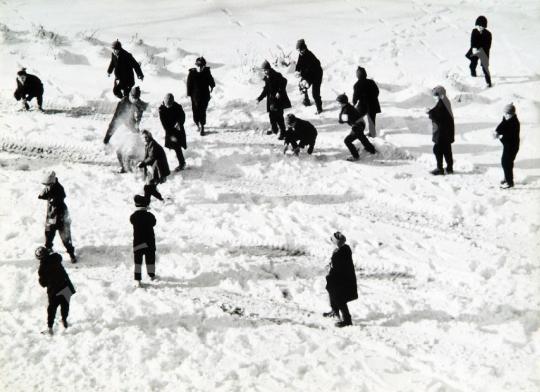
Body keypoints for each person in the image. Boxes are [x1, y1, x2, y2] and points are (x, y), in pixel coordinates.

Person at [103, 86, 148, 173]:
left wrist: (137, 121)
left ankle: (140, 167)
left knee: (138, 150)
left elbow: (142, 110)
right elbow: (114, 122)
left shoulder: (139, 104)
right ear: (130, 95)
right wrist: (107, 138)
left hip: (134, 131)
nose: (135, 99)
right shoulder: (123, 104)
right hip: (124, 130)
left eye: (136, 98)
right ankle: (125, 168)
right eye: (133, 97)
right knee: (119, 151)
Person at [38, 171, 77, 263]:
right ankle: (48, 249)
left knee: (66, 237)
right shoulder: (49, 188)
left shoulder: (59, 189)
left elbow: (58, 199)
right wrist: (46, 190)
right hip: (52, 216)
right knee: (49, 234)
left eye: (48, 184)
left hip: (61, 217)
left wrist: (51, 198)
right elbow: (41, 196)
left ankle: (71, 254)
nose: (46, 186)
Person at [36, 246, 76, 335]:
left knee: (52, 309)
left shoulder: (42, 268)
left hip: (54, 291)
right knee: (65, 305)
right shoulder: (56, 258)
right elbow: (58, 257)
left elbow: (43, 283)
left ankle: (50, 327)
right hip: (65, 286)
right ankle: (64, 320)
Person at [324, 232, 358, 328]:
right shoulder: (344, 249)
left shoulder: (339, 254)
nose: (331, 242)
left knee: (340, 299)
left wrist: (329, 270)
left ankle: (347, 320)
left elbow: (337, 268)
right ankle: (335, 311)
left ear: (336, 243)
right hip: (343, 278)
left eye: (332, 241)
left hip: (341, 281)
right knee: (331, 291)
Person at [256, 60, 291, 139]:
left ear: (269, 69)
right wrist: (259, 98)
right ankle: (274, 129)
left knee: (279, 117)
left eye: (265, 70)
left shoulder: (276, 75)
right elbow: (266, 90)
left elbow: (284, 81)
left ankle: (283, 132)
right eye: (263, 70)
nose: (264, 72)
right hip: (271, 101)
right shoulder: (267, 77)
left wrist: (280, 91)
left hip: (278, 100)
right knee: (271, 116)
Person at [337, 94, 376, 161]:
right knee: (361, 137)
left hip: (357, 126)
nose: (338, 104)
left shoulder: (346, 110)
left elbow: (342, 120)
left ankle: (355, 156)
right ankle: (371, 149)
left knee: (347, 141)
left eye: (339, 102)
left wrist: (340, 117)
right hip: (361, 123)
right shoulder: (348, 106)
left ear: (343, 103)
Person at [130, 195, 157, 286]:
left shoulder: (133, 216)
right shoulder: (150, 216)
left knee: (138, 262)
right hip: (149, 243)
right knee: (150, 260)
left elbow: (132, 221)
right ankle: (151, 275)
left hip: (138, 243)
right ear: (146, 206)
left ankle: (137, 280)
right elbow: (154, 223)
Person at [427, 86, 454, 175]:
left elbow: (438, 118)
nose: (435, 96)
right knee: (447, 150)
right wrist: (431, 111)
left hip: (441, 132)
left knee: (437, 150)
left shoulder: (442, 103)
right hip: (447, 131)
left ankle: (440, 169)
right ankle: (449, 168)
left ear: (439, 94)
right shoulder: (445, 101)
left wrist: (430, 113)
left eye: (435, 94)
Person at [138, 130, 170, 203]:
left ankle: (149, 202)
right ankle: (157, 200)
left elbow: (152, 157)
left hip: (158, 169)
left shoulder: (152, 144)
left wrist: (142, 163)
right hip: (154, 169)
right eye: (143, 138)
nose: (145, 139)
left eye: (146, 137)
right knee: (149, 187)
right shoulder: (148, 144)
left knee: (148, 187)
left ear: (150, 136)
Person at [187, 57, 215, 136]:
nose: (200, 67)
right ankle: (197, 123)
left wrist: (212, 86)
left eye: (201, 66)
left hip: (204, 95)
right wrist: (189, 94)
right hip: (194, 96)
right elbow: (189, 84)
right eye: (198, 66)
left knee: (202, 111)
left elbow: (211, 80)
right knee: (195, 112)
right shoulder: (192, 73)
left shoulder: (206, 72)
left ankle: (202, 127)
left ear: (204, 66)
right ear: (196, 66)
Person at [158, 93, 187, 171]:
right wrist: (171, 135)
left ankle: (182, 163)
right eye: (167, 105)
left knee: (177, 147)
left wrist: (179, 122)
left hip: (178, 130)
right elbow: (164, 125)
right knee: (175, 146)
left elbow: (182, 116)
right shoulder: (161, 110)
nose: (169, 106)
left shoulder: (177, 106)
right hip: (169, 130)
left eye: (170, 105)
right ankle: (180, 160)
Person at [494, 103, 520, 189]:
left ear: (512, 114)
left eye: (507, 114)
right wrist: (497, 131)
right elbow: (502, 125)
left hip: (512, 146)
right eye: (504, 113)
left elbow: (509, 137)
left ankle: (510, 182)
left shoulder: (515, 123)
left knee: (506, 163)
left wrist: (500, 137)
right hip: (507, 145)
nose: (505, 115)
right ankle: (507, 177)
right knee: (506, 162)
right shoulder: (507, 118)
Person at [295, 39, 323, 114]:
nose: (299, 52)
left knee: (315, 93)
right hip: (307, 74)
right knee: (302, 85)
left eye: (300, 50)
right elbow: (298, 64)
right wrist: (297, 70)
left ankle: (319, 108)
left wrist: (303, 76)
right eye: (298, 50)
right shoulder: (301, 54)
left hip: (317, 75)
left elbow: (311, 69)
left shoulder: (309, 55)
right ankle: (306, 100)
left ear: (303, 48)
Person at [352, 67, 381, 137]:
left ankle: (358, 131)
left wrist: (354, 103)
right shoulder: (371, 82)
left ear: (358, 75)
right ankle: (372, 133)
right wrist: (372, 98)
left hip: (363, 105)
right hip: (373, 104)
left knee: (356, 117)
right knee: (372, 120)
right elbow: (377, 92)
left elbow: (355, 96)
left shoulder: (357, 85)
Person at [465, 16, 492, 87]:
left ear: (485, 26)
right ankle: (473, 75)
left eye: (482, 26)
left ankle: (488, 82)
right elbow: (472, 41)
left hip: (484, 52)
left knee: (485, 68)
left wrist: (480, 50)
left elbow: (488, 46)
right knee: (472, 64)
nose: (480, 27)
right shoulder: (474, 31)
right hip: (475, 50)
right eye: (479, 25)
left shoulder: (488, 34)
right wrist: (474, 48)